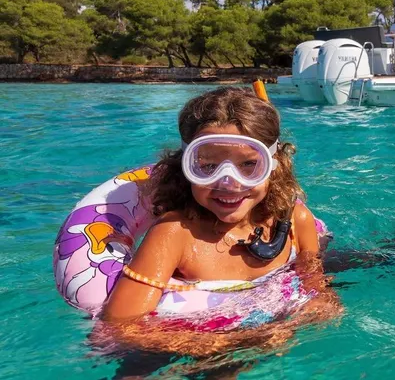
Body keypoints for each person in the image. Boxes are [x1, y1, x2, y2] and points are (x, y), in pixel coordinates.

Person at [101, 86, 339, 340]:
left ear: (274, 166)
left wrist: (321, 301)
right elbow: (121, 329)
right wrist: (240, 343)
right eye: (209, 166)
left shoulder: (293, 221)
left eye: (249, 164)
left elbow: (312, 279)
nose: (228, 183)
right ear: (186, 166)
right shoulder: (174, 234)